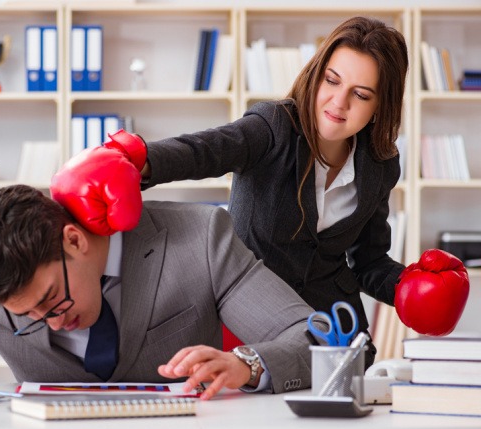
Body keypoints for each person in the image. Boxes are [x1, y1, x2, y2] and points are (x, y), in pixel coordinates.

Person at [49, 16, 470, 368]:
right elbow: (204, 150)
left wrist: (407, 288)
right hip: (249, 320)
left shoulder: (381, 164)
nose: (337, 102)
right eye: (331, 80)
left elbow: (367, 261)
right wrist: (132, 160)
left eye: (360, 94)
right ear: (317, 73)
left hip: (335, 333)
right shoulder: (274, 127)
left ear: (381, 105)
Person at [0, 184, 320, 400]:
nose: (52, 321)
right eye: (26, 315)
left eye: (51, 300)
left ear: (73, 240)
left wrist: (246, 365)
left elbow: (315, 338)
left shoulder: (199, 239)